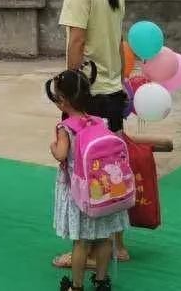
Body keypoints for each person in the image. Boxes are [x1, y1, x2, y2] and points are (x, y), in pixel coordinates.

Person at [58, 0, 129, 266]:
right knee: (112, 169)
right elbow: (118, 40)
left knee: (85, 174)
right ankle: (117, 244)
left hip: (89, 94)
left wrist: (69, 87)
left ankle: (84, 251)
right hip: (113, 91)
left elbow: (77, 39)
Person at [49, 68, 126, 291]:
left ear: (63, 100)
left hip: (80, 194)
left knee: (81, 242)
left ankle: (76, 286)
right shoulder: (99, 121)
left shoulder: (65, 128)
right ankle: (101, 281)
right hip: (103, 189)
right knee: (104, 238)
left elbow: (61, 154)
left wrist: (53, 146)